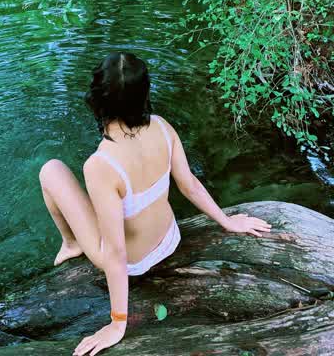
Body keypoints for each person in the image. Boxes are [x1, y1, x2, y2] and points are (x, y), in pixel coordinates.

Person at [39, 52, 272, 356]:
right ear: (144, 94)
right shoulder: (162, 127)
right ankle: (74, 242)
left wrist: (117, 323)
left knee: (51, 170)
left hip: (133, 261)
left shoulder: (100, 164)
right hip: (169, 238)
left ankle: (72, 244)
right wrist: (227, 221)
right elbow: (189, 185)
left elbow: (116, 252)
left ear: (97, 100)